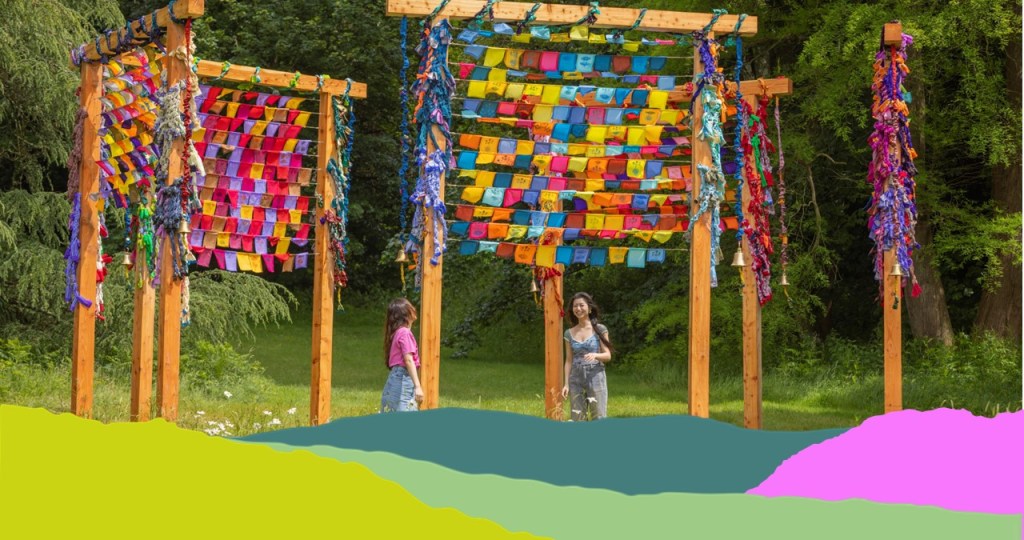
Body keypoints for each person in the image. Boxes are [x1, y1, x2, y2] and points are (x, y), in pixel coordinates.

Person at [561, 292, 613, 420]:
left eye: (581, 305)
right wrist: (566, 384)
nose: (578, 309)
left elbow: (608, 356)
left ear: (589, 308)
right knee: (578, 417)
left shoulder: (599, 329)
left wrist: (595, 355)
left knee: (599, 417)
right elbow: (568, 361)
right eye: (575, 306)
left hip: (596, 376)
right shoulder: (569, 333)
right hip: (576, 379)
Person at [380, 298, 424, 412]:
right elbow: (408, 360)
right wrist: (418, 386)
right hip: (404, 378)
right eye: (411, 308)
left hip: (396, 376)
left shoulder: (397, 332)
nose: (414, 309)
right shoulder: (404, 333)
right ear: (406, 314)